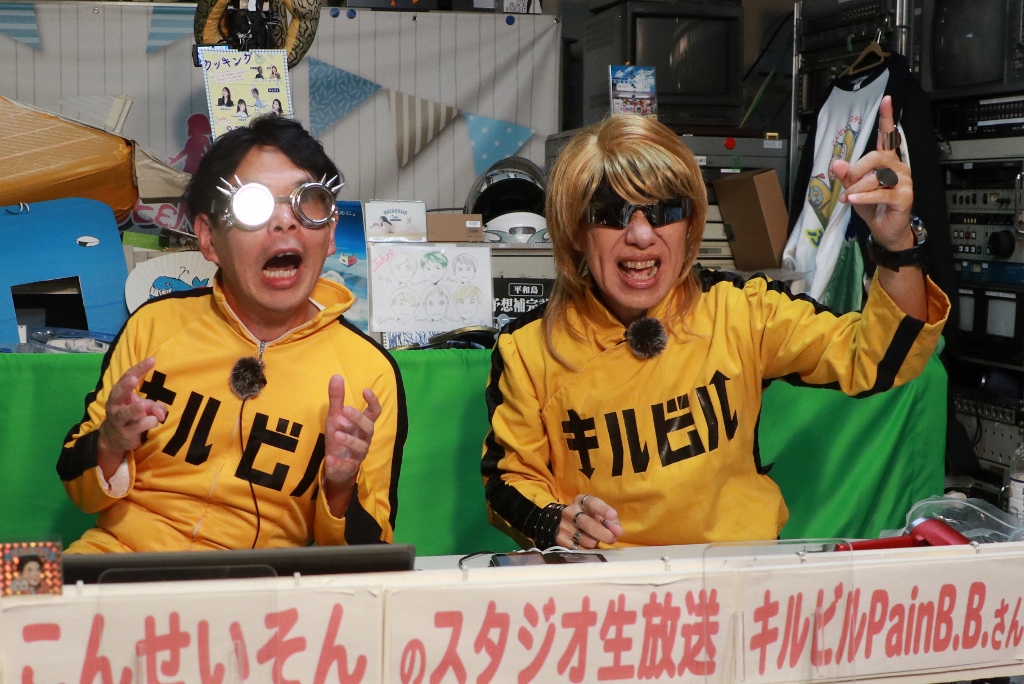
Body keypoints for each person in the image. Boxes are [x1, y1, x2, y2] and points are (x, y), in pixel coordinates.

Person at [481, 104, 949, 550]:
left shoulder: (740, 311)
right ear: (575, 232)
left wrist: (897, 244)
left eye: (665, 210)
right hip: (607, 586)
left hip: (738, 577)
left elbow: (878, 356)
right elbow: (509, 478)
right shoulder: (529, 349)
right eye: (610, 212)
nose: (641, 235)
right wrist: (551, 519)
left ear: (690, 224)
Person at [58, 115, 406, 553]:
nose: (285, 223)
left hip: (261, 584)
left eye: (307, 203)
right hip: (118, 561)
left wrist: (340, 486)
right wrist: (110, 441)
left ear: (331, 233)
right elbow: (80, 490)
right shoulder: (154, 325)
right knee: (22, 593)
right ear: (208, 238)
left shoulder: (370, 373)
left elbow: (371, 555)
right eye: (253, 206)